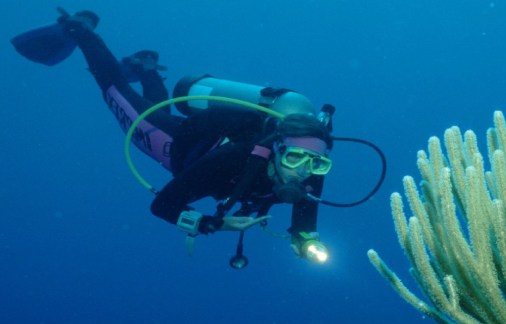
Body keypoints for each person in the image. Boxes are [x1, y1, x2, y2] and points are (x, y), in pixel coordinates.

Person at [13, 9, 332, 266]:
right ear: (276, 148)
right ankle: (80, 30)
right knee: (115, 90)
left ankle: (145, 67)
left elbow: (304, 225)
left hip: (198, 133)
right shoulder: (234, 158)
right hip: (170, 144)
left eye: (315, 164)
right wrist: (214, 224)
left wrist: (307, 242)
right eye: (293, 158)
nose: (302, 171)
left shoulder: (311, 174)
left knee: (153, 106)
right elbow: (163, 205)